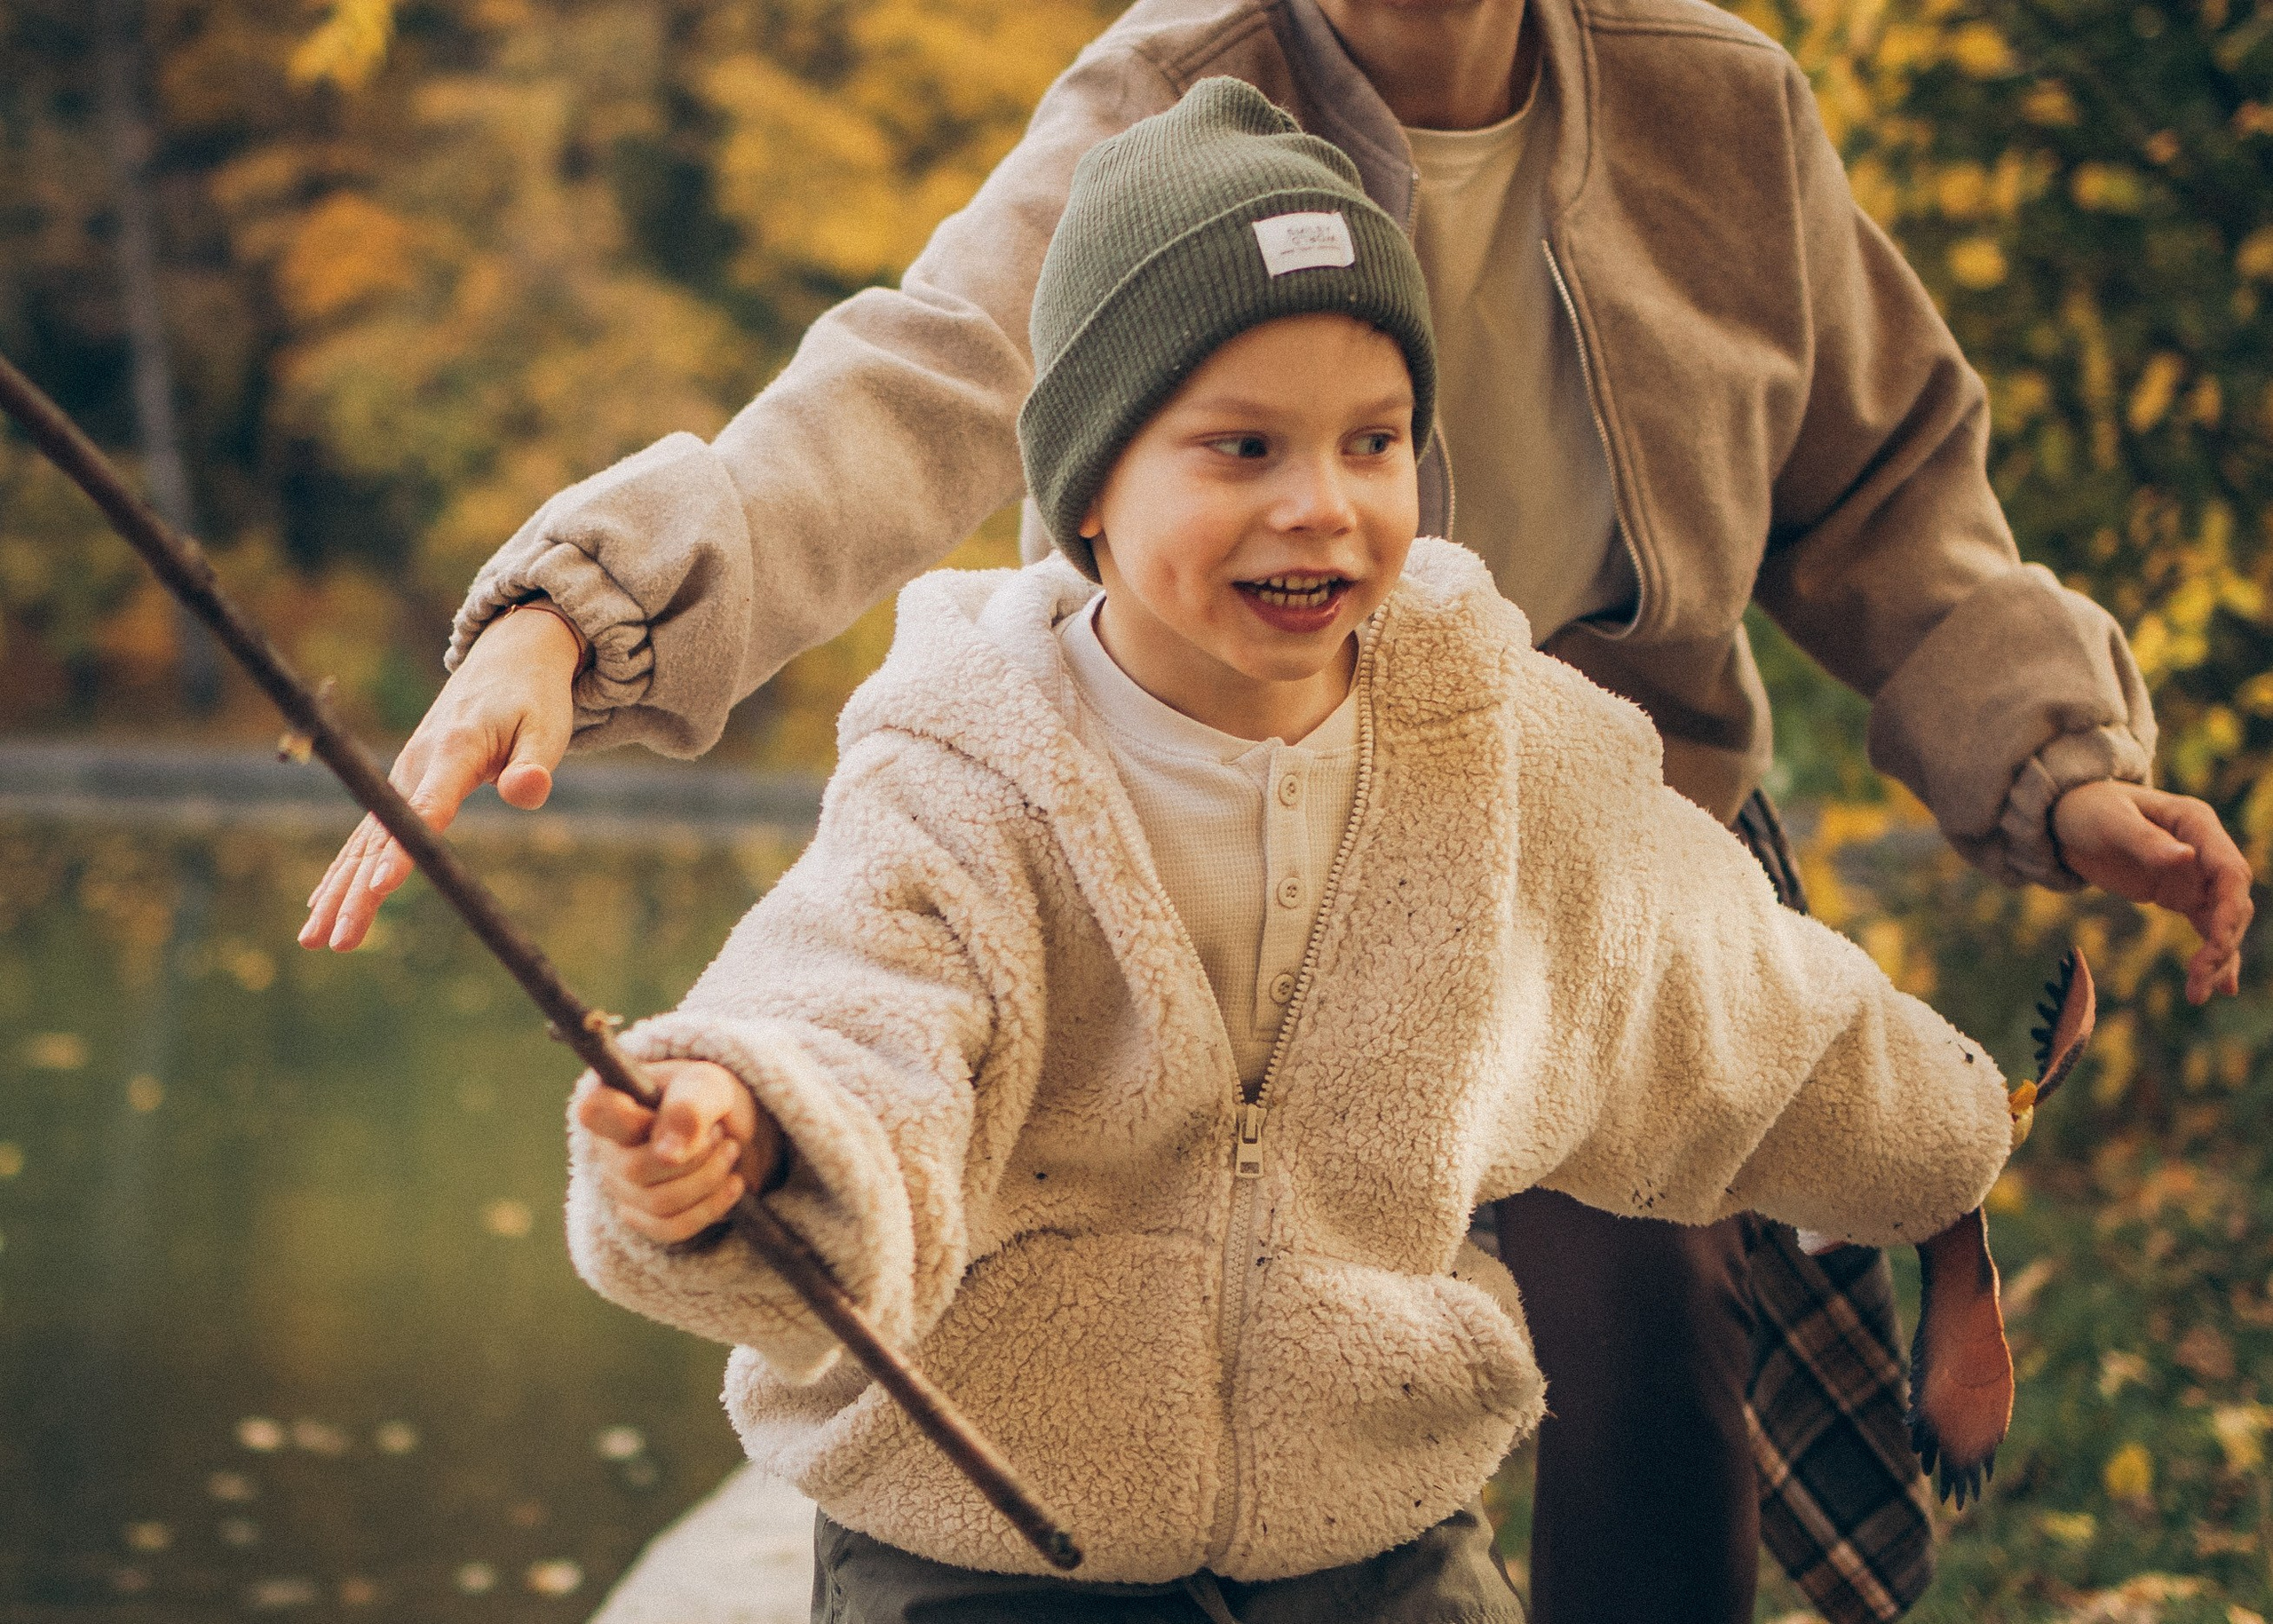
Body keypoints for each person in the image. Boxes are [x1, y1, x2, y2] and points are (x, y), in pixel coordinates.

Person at [298, 0, 2254, 1618]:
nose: (1317, 487)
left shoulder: (1711, 104)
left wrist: (2057, 766)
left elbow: (1890, 490)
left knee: (1655, 1368)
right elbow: (920, 384)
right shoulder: (1175, 89)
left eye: (1353, 444)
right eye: (1252, 442)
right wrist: (588, 605)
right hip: (1200, 796)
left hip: (1581, 827)